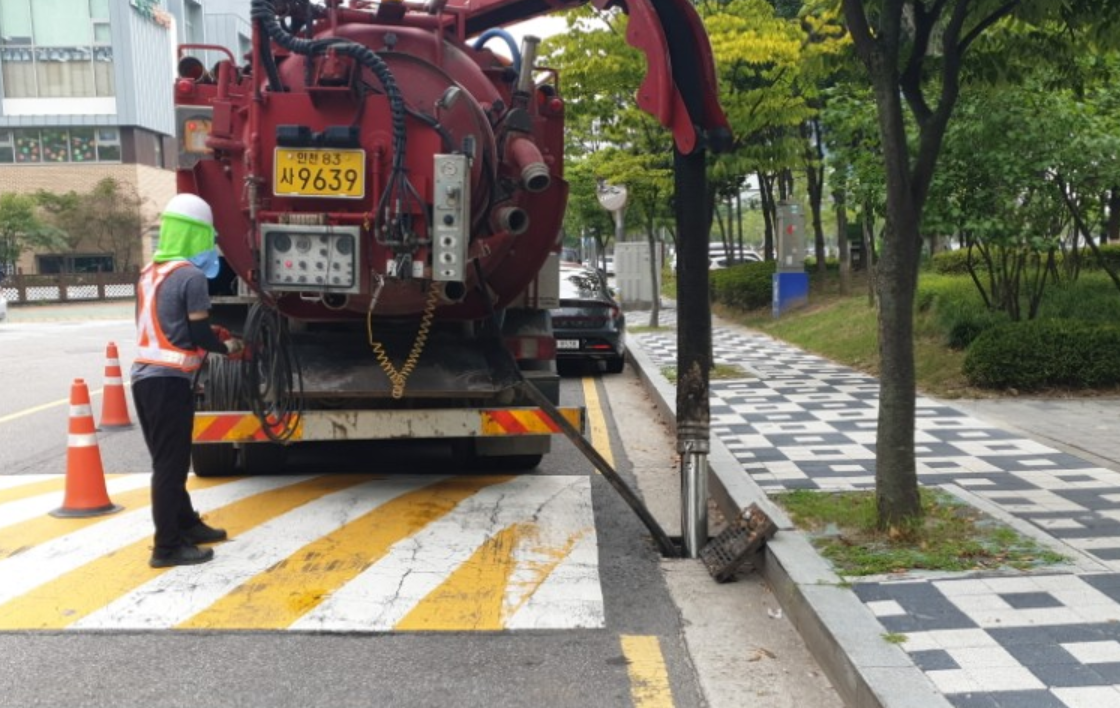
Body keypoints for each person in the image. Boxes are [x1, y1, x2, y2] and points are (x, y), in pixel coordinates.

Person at [132, 193, 243, 568]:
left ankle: (186, 524)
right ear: (196, 235)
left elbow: (166, 325)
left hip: (144, 378)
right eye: (208, 236)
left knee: (168, 460)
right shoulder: (191, 276)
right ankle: (166, 547)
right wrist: (227, 346)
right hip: (168, 383)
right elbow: (198, 336)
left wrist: (201, 332)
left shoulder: (150, 273)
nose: (211, 245)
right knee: (171, 466)